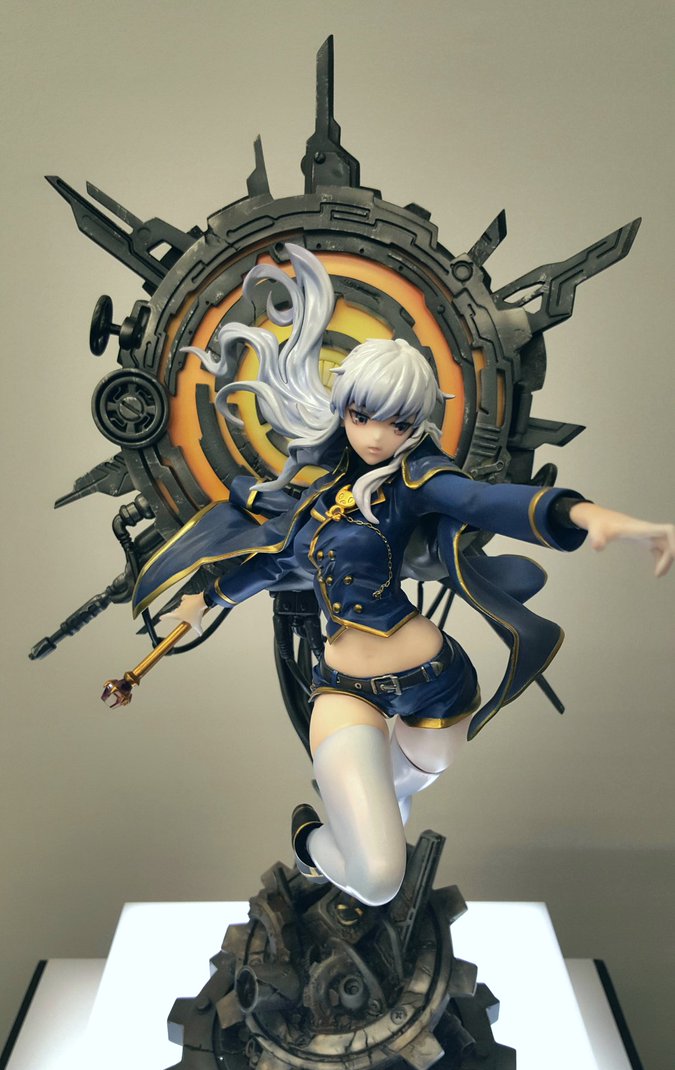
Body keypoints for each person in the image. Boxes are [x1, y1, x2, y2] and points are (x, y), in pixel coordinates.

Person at [131, 245, 674, 908]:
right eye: (361, 416)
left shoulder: (418, 481)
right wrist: (203, 599)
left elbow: (484, 501)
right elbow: (272, 566)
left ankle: (353, 831)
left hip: (439, 683)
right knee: (379, 877)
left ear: (416, 425)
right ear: (341, 411)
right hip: (346, 692)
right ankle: (310, 844)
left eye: (397, 422)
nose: (374, 436)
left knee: (397, 799)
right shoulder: (313, 503)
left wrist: (589, 516)